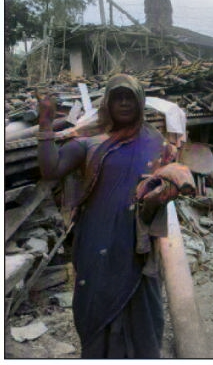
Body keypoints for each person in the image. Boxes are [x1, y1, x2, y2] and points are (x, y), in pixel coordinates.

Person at [37, 74, 179, 358]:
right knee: (95, 304)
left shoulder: (155, 141)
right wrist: (45, 124)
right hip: (96, 241)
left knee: (142, 307)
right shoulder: (91, 140)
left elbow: (167, 182)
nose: (124, 103)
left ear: (140, 102)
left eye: (130, 97)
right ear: (107, 103)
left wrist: (167, 189)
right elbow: (51, 170)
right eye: (118, 97)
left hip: (137, 244)